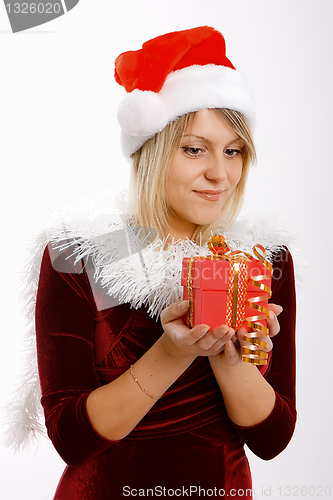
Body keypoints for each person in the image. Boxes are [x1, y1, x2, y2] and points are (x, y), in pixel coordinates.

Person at [19, 26, 296, 499]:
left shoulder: (263, 262)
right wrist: (175, 350)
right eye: (194, 149)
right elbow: (70, 439)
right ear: (150, 150)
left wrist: (233, 356)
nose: (220, 173)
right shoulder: (77, 256)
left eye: (233, 151)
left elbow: (271, 440)